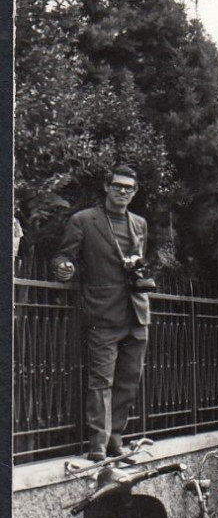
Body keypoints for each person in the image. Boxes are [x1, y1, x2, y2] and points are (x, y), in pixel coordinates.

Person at [50, 164, 153, 461]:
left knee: (129, 381)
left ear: (135, 192)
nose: (123, 192)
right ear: (106, 188)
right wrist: (64, 269)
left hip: (137, 312)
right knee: (101, 381)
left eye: (129, 188)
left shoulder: (139, 224)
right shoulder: (83, 220)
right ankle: (97, 444)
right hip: (102, 314)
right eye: (118, 186)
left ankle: (115, 439)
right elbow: (63, 255)